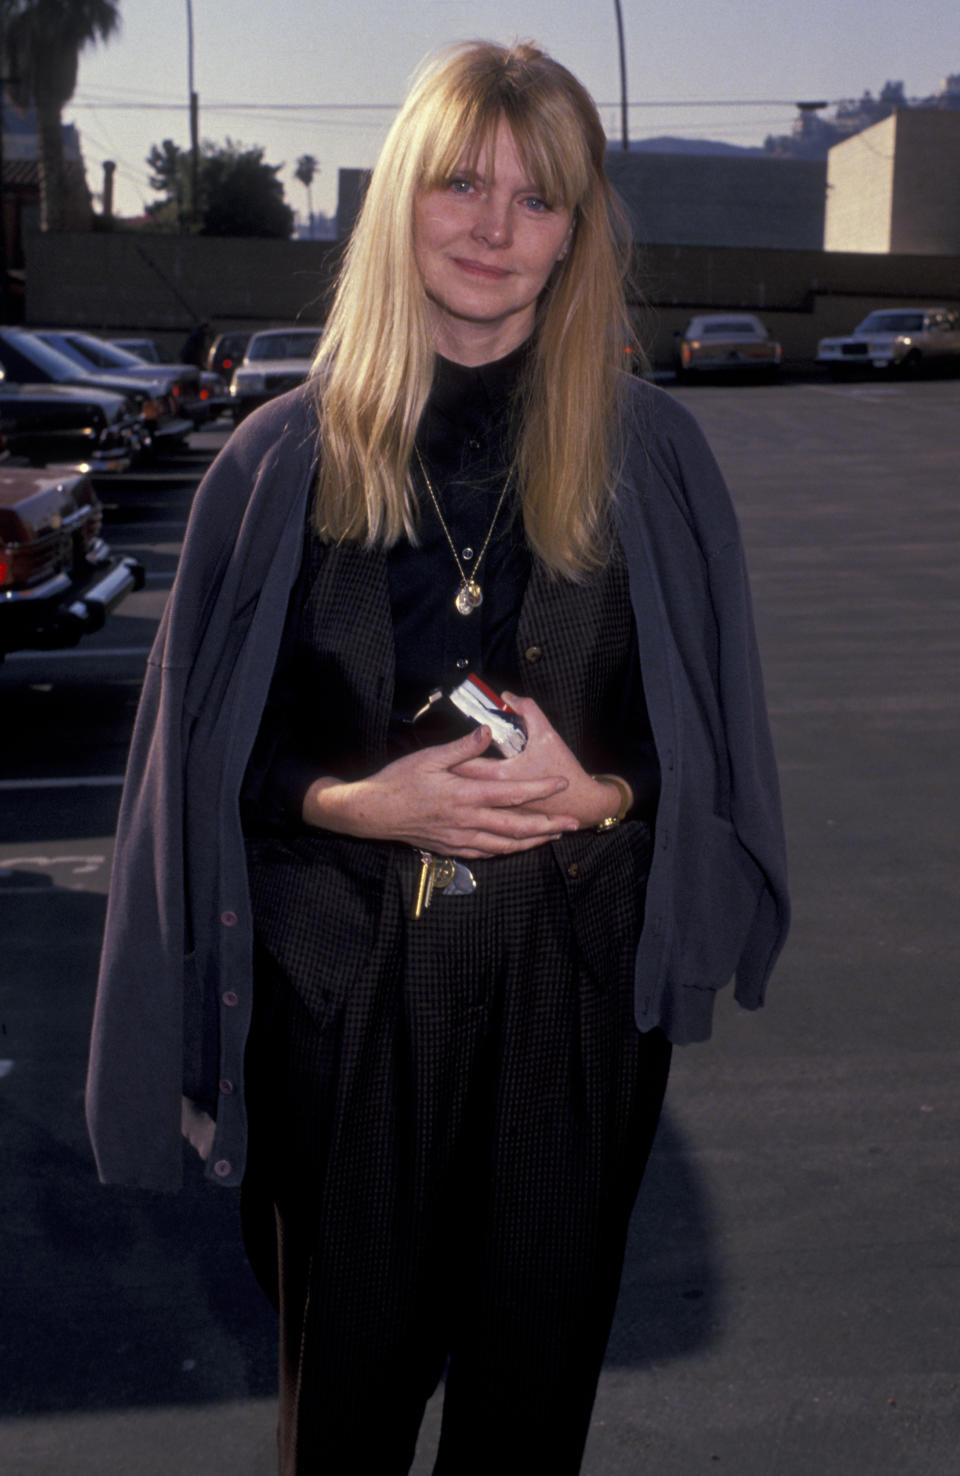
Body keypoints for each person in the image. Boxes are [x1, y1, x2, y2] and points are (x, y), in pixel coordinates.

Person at [86, 39, 789, 1476]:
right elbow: (212, 752)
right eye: (461, 183)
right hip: (342, 1006)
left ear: (578, 234)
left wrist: (604, 791)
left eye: (539, 200)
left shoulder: (651, 458)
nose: (492, 226)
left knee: (531, 1421)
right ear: (400, 200)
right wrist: (356, 798)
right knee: (342, 1417)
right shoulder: (279, 462)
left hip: (571, 1005)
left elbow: (696, 736)